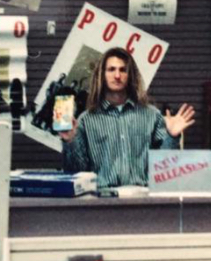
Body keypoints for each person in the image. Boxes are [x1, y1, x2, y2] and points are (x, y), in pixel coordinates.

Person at [60, 46, 195, 188]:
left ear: (130, 75)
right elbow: (75, 173)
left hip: (142, 200)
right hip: (102, 201)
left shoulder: (151, 115)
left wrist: (172, 137)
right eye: (111, 70)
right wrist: (69, 142)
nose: (117, 75)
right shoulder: (86, 120)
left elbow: (165, 170)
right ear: (102, 75)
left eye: (123, 70)